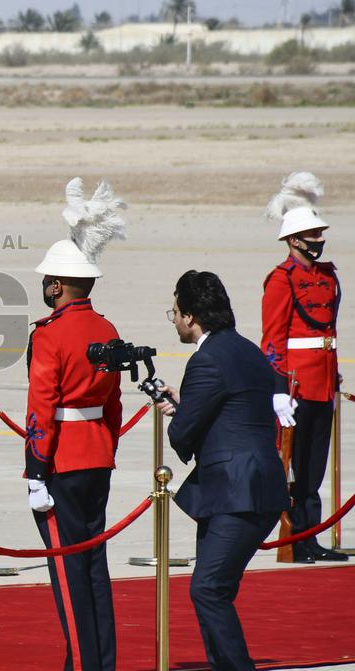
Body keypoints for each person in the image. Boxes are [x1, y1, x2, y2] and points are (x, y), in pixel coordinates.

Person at [159, 270, 290, 671]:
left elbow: (182, 436)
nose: (176, 320)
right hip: (255, 485)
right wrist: (190, 404)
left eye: (176, 313)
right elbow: (234, 413)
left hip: (237, 492)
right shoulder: (248, 350)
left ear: (192, 316)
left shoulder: (206, 360)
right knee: (216, 590)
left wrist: (177, 413)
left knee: (208, 589)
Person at [25, 178, 126, 671]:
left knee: (66, 569)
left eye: (48, 280)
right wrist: (106, 445)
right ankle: (99, 660)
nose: (44, 286)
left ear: (58, 286)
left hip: (61, 458)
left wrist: (35, 469)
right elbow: (114, 404)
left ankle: (84, 665)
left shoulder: (50, 335)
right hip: (97, 454)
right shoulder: (107, 329)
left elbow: (41, 406)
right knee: (94, 567)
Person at [260, 172, 346, 563]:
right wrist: (278, 387)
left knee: (314, 470)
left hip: (323, 380)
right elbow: (273, 338)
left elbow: (329, 329)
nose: (318, 240)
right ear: (294, 241)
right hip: (295, 385)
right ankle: (296, 540)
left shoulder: (327, 276)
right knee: (294, 468)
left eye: (319, 234)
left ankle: (311, 537)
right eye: (311, 235)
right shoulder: (281, 280)